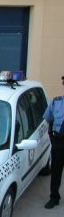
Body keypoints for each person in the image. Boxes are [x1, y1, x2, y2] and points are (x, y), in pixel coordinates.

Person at [43, 75, 64, 209]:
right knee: (56, 171)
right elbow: (48, 118)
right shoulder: (56, 102)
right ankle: (54, 197)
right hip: (59, 141)